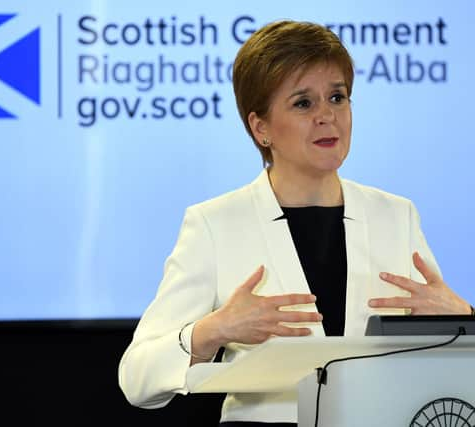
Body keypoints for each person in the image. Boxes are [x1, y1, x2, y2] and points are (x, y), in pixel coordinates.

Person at [117, 20, 473, 425]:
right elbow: (136, 378)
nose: (327, 116)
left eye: (337, 97)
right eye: (303, 103)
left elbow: (447, 364)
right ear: (260, 127)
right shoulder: (214, 224)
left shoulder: (396, 216)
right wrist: (213, 329)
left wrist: (462, 318)